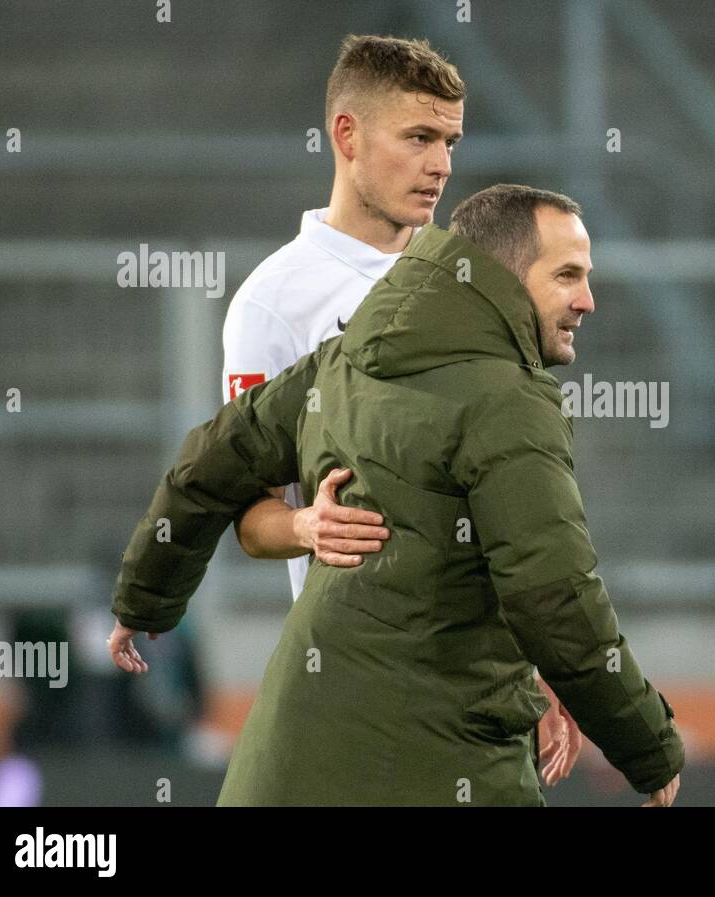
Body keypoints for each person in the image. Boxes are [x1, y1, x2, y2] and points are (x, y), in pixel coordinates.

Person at [108, 185, 684, 806]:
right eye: (567, 275)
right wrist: (647, 747)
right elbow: (554, 599)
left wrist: (145, 597)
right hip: (437, 761)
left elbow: (210, 458)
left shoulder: (343, 362)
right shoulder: (509, 400)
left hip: (282, 764)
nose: (587, 301)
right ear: (505, 276)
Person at [218, 33, 580, 781]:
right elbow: (244, 515)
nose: (441, 163)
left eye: (449, 140)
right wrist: (306, 525)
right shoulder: (273, 303)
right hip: (357, 696)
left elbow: (505, 507)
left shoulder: (473, 278)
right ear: (348, 135)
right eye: (418, 137)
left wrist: (533, 666)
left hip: (475, 699)